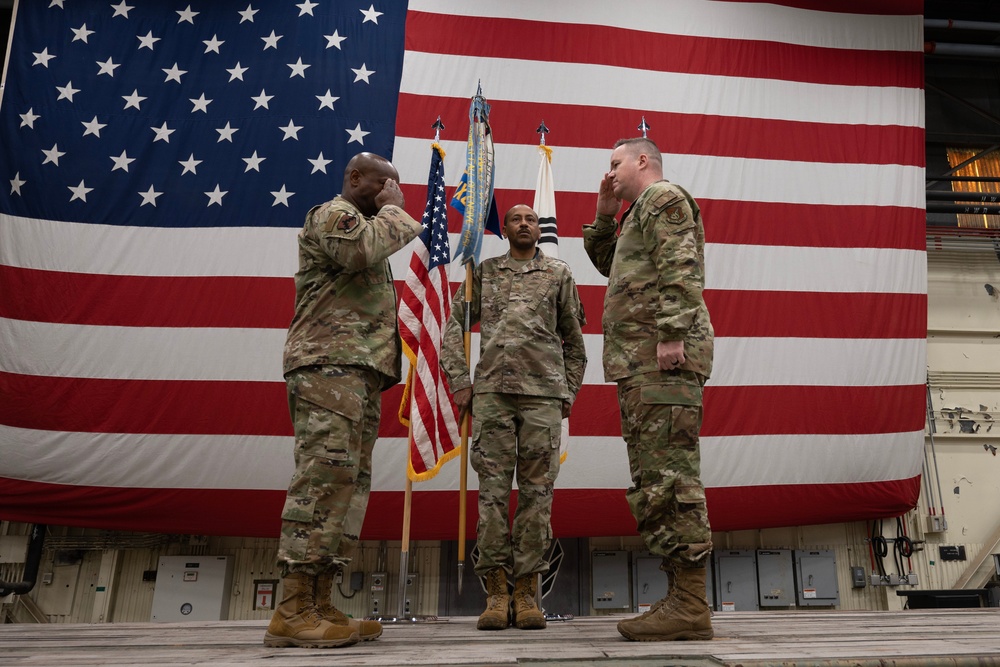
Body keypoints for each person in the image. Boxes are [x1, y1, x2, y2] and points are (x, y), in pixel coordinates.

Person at [264, 152, 424, 649]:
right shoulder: (335, 215)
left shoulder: (366, 221)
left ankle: (318, 600)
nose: (390, 191)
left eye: (394, 187)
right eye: (383, 184)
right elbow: (358, 253)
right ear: (355, 179)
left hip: (357, 370)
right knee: (322, 478)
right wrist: (396, 209)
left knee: (349, 484)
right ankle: (291, 609)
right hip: (328, 363)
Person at [582, 138, 715, 641]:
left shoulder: (663, 198)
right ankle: (682, 598)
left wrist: (672, 333)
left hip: (662, 359)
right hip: (641, 365)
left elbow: (682, 265)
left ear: (643, 161)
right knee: (654, 478)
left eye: (615, 163)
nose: (610, 172)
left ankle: (690, 603)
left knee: (671, 479)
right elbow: (608, 265)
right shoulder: (636, 213)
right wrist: (604, 213)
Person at [441, 204, 587, 631]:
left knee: (536, 498)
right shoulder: (484, 272)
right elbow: (454, 327)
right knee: (491, 498)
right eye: (517, 220)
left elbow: (574, 341)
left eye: (532, 220)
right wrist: (459, 383)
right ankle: (496, 591)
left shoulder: (558, 274)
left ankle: (526, 591)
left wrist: (568, 393)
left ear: (539, 230)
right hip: (492, 397)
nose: (525, 224)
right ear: (504, 230)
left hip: (542, 397)